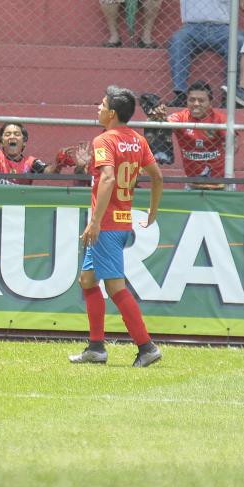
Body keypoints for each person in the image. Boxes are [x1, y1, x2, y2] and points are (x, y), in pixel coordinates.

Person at [69, 86, 164, 367]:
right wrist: (153, 211)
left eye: (101, 104)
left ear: (111, 113)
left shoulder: (104, 140)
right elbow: (157, 177)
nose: (98, 108)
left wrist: (95, 223)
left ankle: (146, 347)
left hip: (107, 225)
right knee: (87, 280)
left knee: (115, 287)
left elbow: (108, 179)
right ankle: (96, 348)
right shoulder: (137, 140)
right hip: (122, 221)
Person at [0, 83, 91, 184]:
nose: (12, 136)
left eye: (16, 134)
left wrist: (58, 163)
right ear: (1, 141)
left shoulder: (30, 163)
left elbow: (50, 172)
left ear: (24, 142)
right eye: (7, 134)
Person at [167, 82, 232, 189]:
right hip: (193, 183)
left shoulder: (219, 119)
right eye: (192, 100)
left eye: (201, 100)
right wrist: (158, 118)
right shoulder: (181, 117)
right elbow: (167, 122)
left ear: (210, 103)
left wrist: (230, 144)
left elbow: (234, 142)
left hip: (221, 183)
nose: (196, 104)